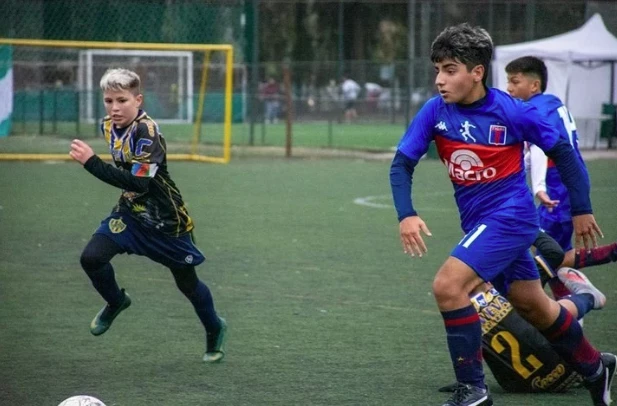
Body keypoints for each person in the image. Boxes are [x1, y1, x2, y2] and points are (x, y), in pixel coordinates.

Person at [389, 23, 615, 406]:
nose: (440, 80)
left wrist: (582, 209)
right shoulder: (434, 111)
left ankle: (473, 390)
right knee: (533, 306)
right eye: (438, 70)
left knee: (448, 286)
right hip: (478, 222)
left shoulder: (512, 111)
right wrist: (405, 214)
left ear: (477, 72)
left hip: (512, 218)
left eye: (450, 70)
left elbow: (564, 152)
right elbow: (401, 164)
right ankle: (595, 368)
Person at [69, 68, 227, 363]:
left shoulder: (147, 133)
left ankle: (214, 327)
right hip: (131, 214)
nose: (114, 108)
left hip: (167, 221)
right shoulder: (107, 126)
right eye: (109, 101)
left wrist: (91, 163)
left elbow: (140, 182)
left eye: (122, 100)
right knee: (91, 258)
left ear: (138, 100)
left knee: (187, 284)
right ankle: (116, 302)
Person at [506, 56, 617, 301]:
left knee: (544, 254)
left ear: (534, 85)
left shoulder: (533, 110)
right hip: (569, 180)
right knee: (552, 250)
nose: (509, 88)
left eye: (514, 81)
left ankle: (609, 258)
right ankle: (568, 303)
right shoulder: (552, 104)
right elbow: (533, 152)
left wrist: (539, 187)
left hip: (559, 187)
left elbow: (538, 149)